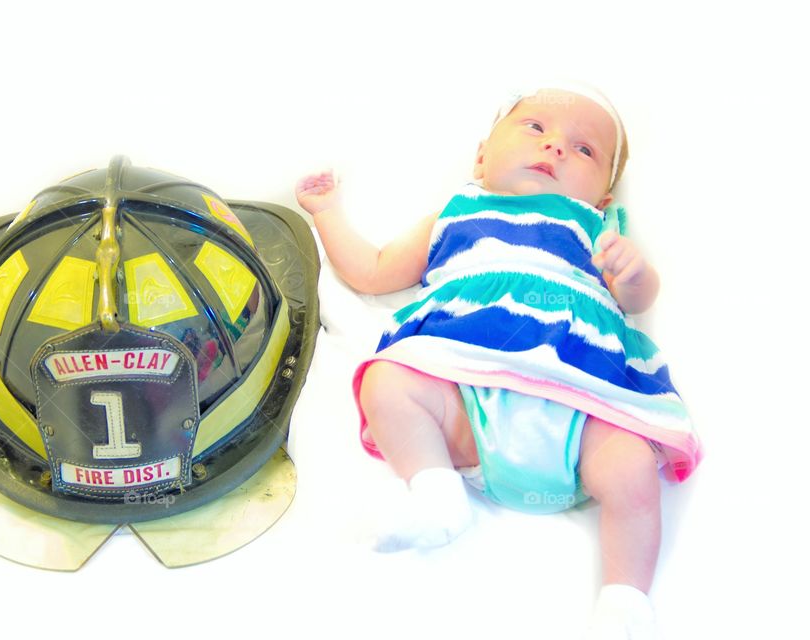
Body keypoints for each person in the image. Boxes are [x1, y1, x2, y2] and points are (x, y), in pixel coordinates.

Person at [295, 84, 702, 640]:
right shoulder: (456, 212)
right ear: (482, 155)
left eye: (585, 150)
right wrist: (326, 214)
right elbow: (372, 271)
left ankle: (625, 601)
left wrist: (633, 274)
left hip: (580, 403)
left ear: (602, 199)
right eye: (535, 128)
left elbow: (638, 299)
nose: (556, 147)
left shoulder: (595, 230)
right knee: (387, 382)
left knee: (632, 469)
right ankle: (437, 494)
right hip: (466, 397)